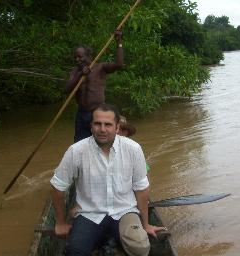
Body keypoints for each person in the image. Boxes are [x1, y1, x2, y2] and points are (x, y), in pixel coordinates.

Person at [50, 103, 166, 256]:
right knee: (75, 251)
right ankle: (103, 238)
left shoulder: (133, 149)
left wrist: (145, 224)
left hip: (124, 211)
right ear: (91, 126)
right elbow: (58, 186)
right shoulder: (76, 151)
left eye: (108, 125)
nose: (102, 129)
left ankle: (108, 238)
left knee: (141, 248)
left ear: (117, 127)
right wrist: (60, 222)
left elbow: (141, 188)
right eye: (97, 124)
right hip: (90, 213)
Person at [66, 30, 123, 143]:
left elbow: (119, 64)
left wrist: (119, 43)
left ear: (89, 56)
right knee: (80, 144)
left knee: (100, 142)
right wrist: (80, 74)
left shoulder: (100, 68)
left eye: (80, 57)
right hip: (82, 114)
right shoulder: (75, 72)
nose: (77, 60)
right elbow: (67, 89)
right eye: (75, 57)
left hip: (97, 112)